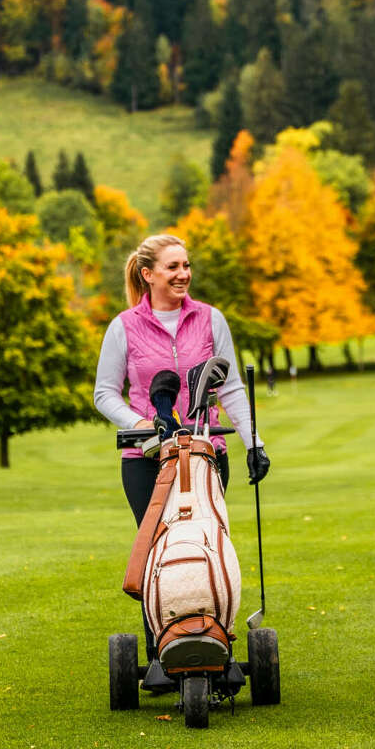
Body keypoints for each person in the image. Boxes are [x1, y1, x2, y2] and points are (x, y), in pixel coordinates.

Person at [94, 233, 269, 677]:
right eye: (173, 267)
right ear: (148, 274)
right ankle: (161, 654)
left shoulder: (211, 320)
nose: (183, 274)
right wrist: (143, 424)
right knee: (157, 549)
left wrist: (254, 443)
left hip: (207, 453)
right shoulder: (124, 326)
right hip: (147, 460)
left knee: (207, 541)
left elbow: (229, 387)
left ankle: (214, 640)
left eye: (186, 265)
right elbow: (105, 393)